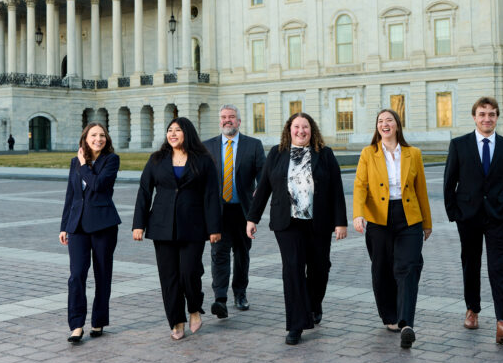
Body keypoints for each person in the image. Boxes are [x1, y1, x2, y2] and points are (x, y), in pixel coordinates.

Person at [247, 112, 347, 345]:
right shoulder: (277, 153)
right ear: (288, 130)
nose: (301, 131)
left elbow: (336, 190)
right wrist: (252, 218)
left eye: (305, 127)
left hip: (318, 222)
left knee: (319, 268)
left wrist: (340, 222)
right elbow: (263, 189)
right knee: (292, 269)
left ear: (312, 131)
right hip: (287, 222)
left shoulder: (325, 154)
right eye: (296, 127)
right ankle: (296, 325)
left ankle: (314, 304)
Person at [442, 96, 503, 344]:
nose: (487, 118)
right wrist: (454, 213)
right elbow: (449, 182)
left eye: (492, 114)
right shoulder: (459, 145)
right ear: (474, 117)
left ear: (497, 117)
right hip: (468, 216)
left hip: (498, 217)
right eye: (482, 114)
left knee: (498, 268)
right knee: (471, 263)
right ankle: (472, 310)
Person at [133, 117, 221, 340]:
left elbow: (211, 195)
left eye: (177, 130)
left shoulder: (203, 160)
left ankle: (193, 308)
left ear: (187, 133)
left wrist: (214, 228)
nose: (172, 134)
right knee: (169, 277)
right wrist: (138, 224)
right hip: (162, 227)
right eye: (169, 130)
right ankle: (176, 319)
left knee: (189, 272)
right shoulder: (156, 160)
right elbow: (144, 192)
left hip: (193, 226)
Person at [353, 109, 432, 349]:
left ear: (397, 125)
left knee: (407, 267)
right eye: (380, 121)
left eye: (389, 120)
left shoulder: (413, 153)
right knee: (382, 269)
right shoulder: (368, 153)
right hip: (378, 219)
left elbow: (421, 190)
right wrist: (358, 214)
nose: (385, 124)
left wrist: (426, 223)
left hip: (408, 218)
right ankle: (390, 316)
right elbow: (360, 185)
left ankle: (406, 322)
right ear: (377, 127)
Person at [58, 121, 121, 344]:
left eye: (102, 135)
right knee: (76, 276)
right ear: (85, 138)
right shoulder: (75, 161)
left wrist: (85, 165)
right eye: (94, 135)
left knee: (102, 274)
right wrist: (64, 225)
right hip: (77, 227)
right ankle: (76, 325)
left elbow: (98, 185)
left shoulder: (111, 160)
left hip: (103, 225)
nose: (98, 139)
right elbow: (71, 195)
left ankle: (98, 321)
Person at [204, 104, 265, 318]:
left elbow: (263, 176)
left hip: (243, 212)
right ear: (219, 121)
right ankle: (220, 299)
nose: (227, 120)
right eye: (223, 117)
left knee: (241, 254)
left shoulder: (253, 145)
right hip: (218, 212)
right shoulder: (207, 147)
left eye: (231, 117)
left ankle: (240, 293)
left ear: (239, 121)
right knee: (218, 254)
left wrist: (259, 193)